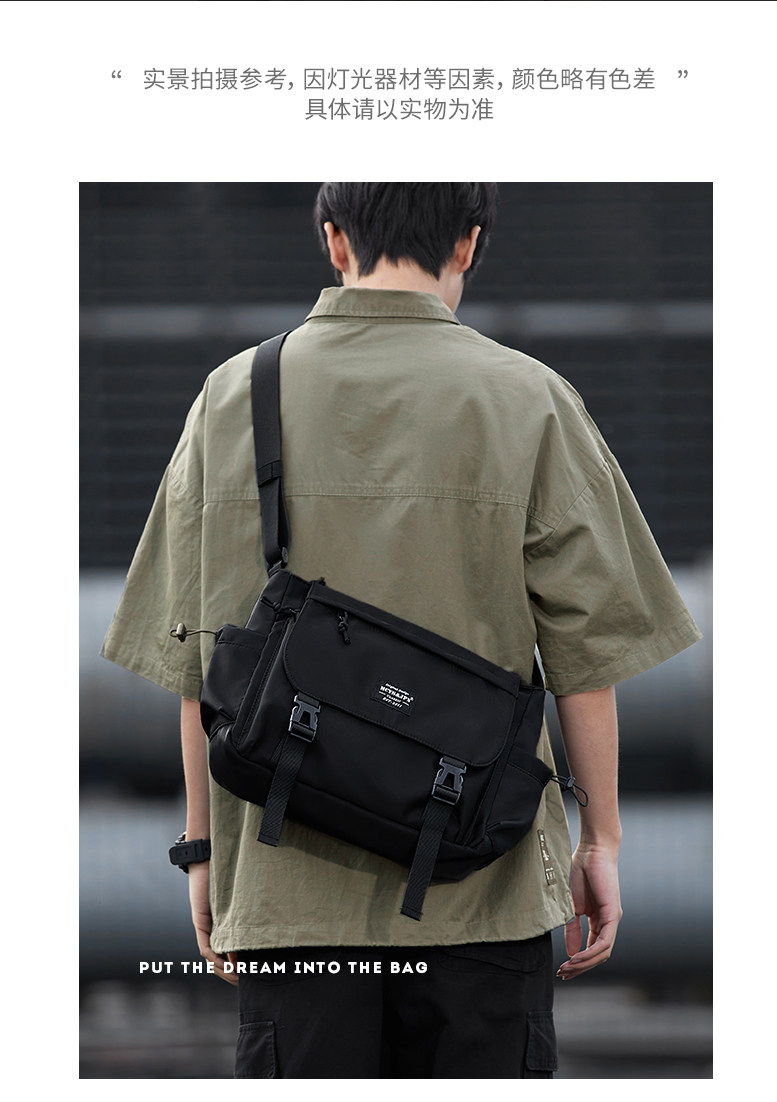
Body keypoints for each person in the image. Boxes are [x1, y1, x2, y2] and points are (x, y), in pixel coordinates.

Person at [102, 182, 701, 1079]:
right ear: (469, 244)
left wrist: (203, 854)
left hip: (289, 894)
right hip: (484, 890)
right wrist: (600, 841)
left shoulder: (233, 397)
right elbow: (588, 656)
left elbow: (199, 660)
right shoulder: (531, 399)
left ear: (334, 242)